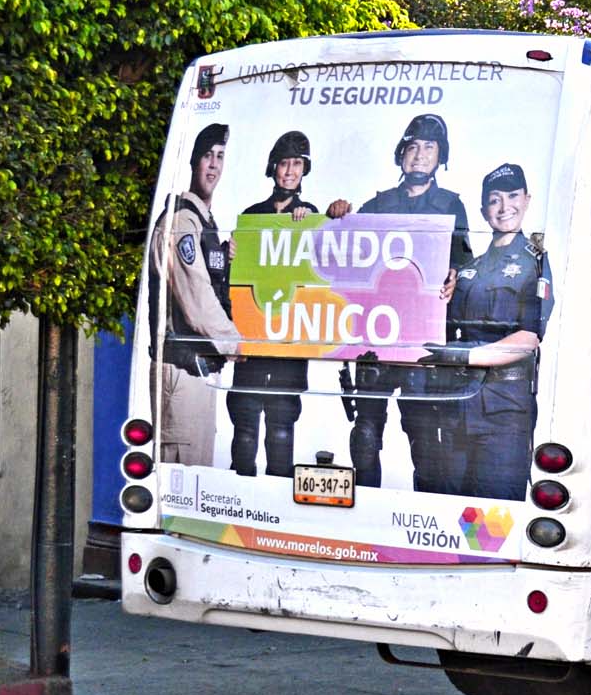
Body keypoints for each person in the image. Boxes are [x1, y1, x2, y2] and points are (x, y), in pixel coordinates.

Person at [349, 114, 473, 490]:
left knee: (424, 434)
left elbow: (464, 261)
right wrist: (338, 216)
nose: (419, 155)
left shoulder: (451, 206)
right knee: (365, 433)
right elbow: (346, 255)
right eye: (413, 147)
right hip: (376, 339)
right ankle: (362, 508)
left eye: (429, 147)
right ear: (401, 154)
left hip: (423, 341)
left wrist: (456, 274)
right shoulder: (378, 204)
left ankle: (422, 513)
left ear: (440, 156)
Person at [225, 131, 352, 478]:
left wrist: (333, 214)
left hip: (288, 346)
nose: (290, 171)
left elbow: (332, 263)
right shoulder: (251, 217)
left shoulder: (311, 216)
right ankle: (238, 498)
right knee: (244, 431)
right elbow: (233, 281)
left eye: (297, 164)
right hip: (253, 342)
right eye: (284, 164)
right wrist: (229, 252)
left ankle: (275, 502)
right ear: (274, 168)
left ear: (304, 170)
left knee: (281, 433)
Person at [426, 162, 555, 500]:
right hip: (457, 407)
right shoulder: (469, 270)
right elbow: (442, 325)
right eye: (494, 200)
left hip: (504, 414)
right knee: (448, 509)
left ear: (527, 200)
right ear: (484, 211)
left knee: (493, 516)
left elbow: (529, 337)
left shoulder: (536, 263)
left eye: (512, 196)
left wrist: (467, 357)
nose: (504, 207)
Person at [148, 123, 240, 467]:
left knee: (199, 470)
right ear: (194, 161)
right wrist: (238, 344)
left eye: (220, 157)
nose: (214, 165)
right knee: (182, 477)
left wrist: (223, 257)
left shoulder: (203, 222)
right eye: (207, 156)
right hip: (182, 371)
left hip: (199, 372)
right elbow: (197, 301)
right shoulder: (183, 222)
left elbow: (207, 283)